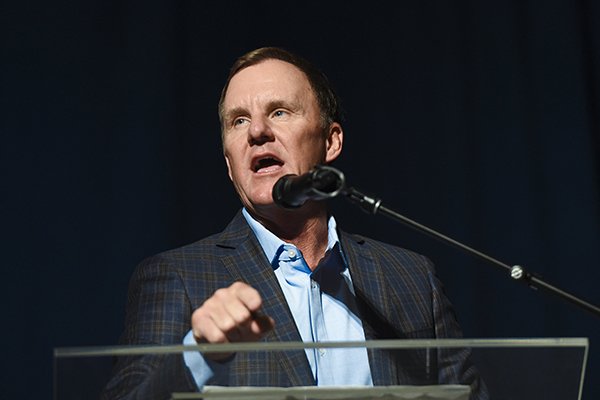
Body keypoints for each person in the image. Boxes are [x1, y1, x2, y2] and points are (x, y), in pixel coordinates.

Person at [102, 46, 488, 399]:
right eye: (238, 121)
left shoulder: (412, 277)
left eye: (279, 112)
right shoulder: (177, 277)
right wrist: (198, 355)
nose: (256, 132)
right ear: (228, 162)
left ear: (331, 141)